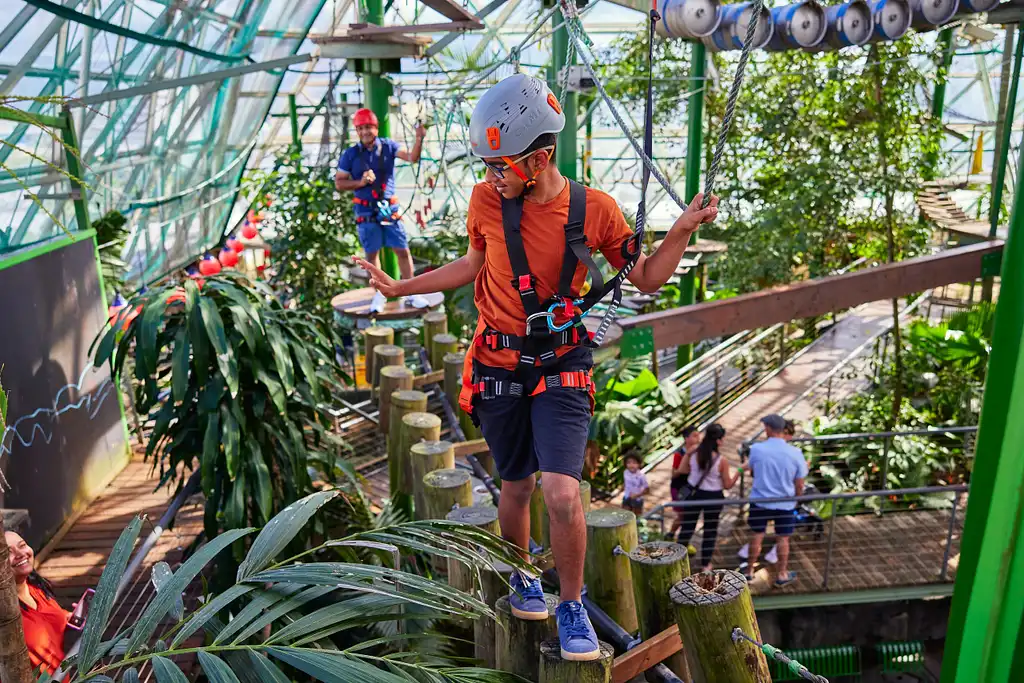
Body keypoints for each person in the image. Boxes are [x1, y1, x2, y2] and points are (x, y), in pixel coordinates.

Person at [356, 73, 719, 661]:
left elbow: (647, 275)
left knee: (562, 493)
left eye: (501, 164)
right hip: (498, 359)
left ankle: (571, 604)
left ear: (540, 157)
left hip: (560, 359)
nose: (491, 175)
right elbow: (471, 263)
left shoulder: (593, 210)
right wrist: (403, 285)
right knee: (517, 484)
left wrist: (679, 230)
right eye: (488, 164)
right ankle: (524, 573)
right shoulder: (485, 200)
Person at [335, 108, 429, 312]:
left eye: (368, 127)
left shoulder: (388, 147)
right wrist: (360, 182)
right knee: (371, 255)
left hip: (388, 208)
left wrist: (419, 139)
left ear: (375, 128)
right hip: (365, 211)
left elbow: (412, 157)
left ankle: (410, 293)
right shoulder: (351, 155)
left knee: (402, 250)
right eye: (360, 128)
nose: (365, 132)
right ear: (357, 131)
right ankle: (379, 294)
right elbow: (339, 183)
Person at [744, 414, 808, 587]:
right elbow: (800, 482)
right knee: (783, 539)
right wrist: (797, 498)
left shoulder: (757, 449)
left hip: (760, 501)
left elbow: (752, 471)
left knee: (757, 535)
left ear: (768, 429)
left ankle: (749, 570)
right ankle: (782, 574)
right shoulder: (795, 453)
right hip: (785, 503)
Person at [676, 424, 739, 572]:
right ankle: (705, 564)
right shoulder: (721, 460)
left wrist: (689, 458)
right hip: (713, 497)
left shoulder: (693, 452)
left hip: (694, 494)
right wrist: (740, 471)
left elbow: (682, 470)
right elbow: (728, 485)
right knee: (710, 530)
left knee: (687, 527)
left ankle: (676, 558)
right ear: (718, 441)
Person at [6, 531, 71, 674]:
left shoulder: (36, 587)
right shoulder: (5, 613)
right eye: (8, 553)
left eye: (22, 545)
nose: (20, 553)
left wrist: (68, 617)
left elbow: (47, 621)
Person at [738, 419, 798, 565]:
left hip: (764, 501)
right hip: (781, 502)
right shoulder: (792, 453)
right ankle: (780, 573)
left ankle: (751, 569)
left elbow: (752, 468)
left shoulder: (764, 450)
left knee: (760, 534)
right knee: (778, 537)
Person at [668, 425, 702, 540]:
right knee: (682, 515)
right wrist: (683, 468)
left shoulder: (699, 452)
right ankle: (671, 534)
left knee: (686, 515)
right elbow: (674, 474)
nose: (698, 438)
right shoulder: (679, 454)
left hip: (690, 488)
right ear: (686, 439)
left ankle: (677, 537)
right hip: (679, 488)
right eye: (694, 436)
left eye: (698, 435)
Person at [622, 451, 649, 515]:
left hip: (637, 499)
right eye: (629, 463)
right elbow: (626, 482)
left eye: (634, 463)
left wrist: (637, 495)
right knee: (625, 515)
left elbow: (647, 490)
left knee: (637, 516)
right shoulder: (625, 472)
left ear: (639, 464)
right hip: (627, 497)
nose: (631, 465)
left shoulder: (641, 476)